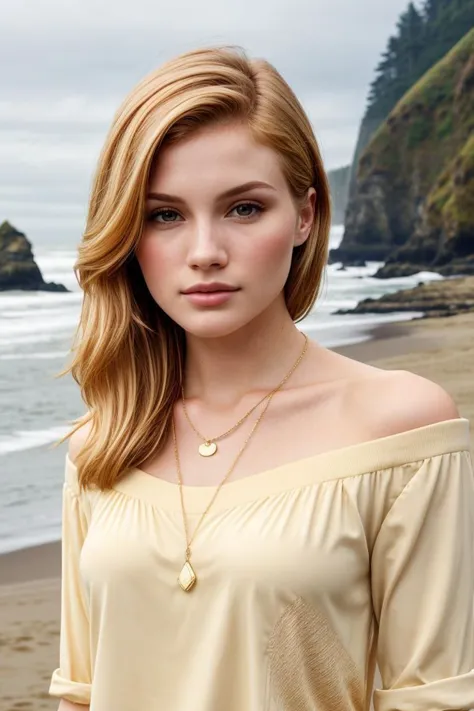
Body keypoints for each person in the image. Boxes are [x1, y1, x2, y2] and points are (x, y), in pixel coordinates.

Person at [48, 44, 474, 711]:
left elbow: (435, 697)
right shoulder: (101, 446)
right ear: (128, 235)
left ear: (304, 215)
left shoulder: (402, 427)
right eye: (165, 215)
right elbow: (81, 691)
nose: (205, 252)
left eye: (244, 208)